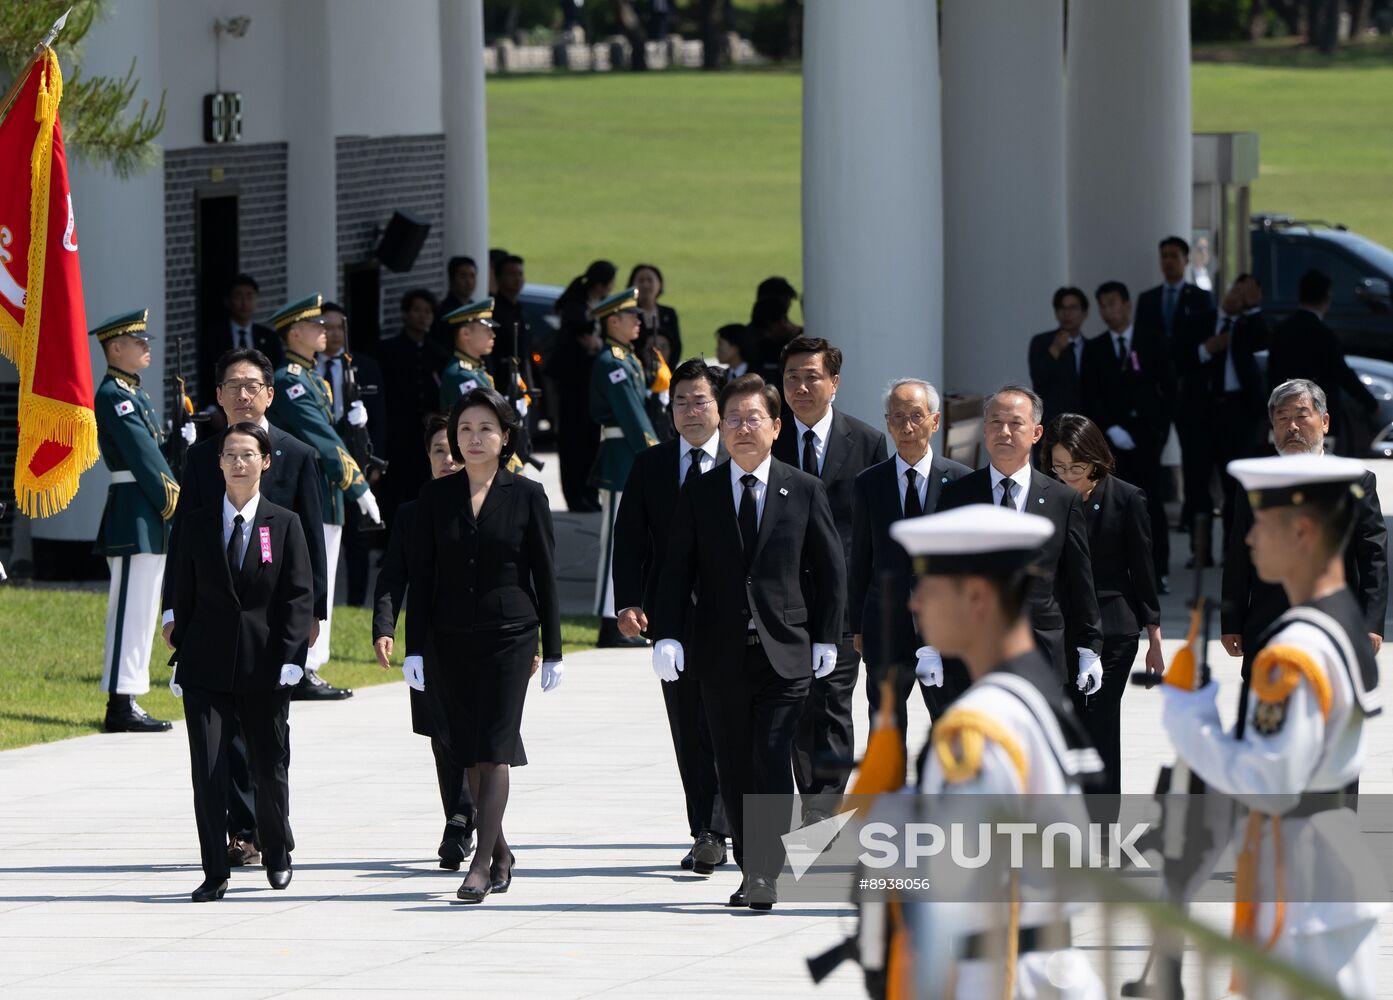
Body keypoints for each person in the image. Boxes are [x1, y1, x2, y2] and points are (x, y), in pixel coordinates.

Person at [1164, 454, 1384, 998]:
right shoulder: (1336, 622)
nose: (1250, 539)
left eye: (1262, 524)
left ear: (1303, 530)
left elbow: (1269, 779)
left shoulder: (1294, 649)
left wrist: (1189, 717)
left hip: (1299, 879)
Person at [893, 504, 1106, 998]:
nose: (915, 604)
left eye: (928, 586)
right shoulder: (1034, 692)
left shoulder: (978, 728)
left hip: (994, 975)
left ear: (975, 596)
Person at [651, 374, 845, 911]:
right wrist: (667, 634)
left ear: (776, 427)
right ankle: (749, 861)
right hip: (720, 653)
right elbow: (676, 571)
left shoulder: (803, 489)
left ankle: (763, 873)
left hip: (786, 653)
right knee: (733, 764)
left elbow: (830, 570)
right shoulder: (702, 491)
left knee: (770, 757)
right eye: (732, 418)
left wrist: (827, 635)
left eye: (752, 418)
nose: (740, 428)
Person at [163, 347, 327, 867]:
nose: (242, 394)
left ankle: (271, 821)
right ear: (218, 395)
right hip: (216, 618)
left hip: (273, 616)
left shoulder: (296, 455)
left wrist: (314, 614)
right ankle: (244, 829)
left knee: (268, 732)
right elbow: (182, 540)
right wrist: (172, 608)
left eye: (252, 385)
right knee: (222, 736)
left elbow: (312, 541)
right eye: (232, 385)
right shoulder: (204, 457)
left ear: (270, 393)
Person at [404, 387, 563, 903]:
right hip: (449, 638)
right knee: (468, 750)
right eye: (466, 429)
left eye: (486, 429)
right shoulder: (435, 497)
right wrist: (413, 648)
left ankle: (478, 864)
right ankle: (501, 852)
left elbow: (545, 574)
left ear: (506, 437)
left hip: (510, 637)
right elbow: (421, 578)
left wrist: (554, 648)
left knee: (494, 749)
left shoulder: (527, 494)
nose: (474, 439)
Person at [613, 359, 730, 874]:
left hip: (738, 617)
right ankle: (705, 830)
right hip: (673, 621)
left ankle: (729, 827)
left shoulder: (744, 459)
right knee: (689, 727)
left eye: (699, 400)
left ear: (721, 407)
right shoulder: (651, 465)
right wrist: (629, 602)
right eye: (680, 401)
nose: (689, 411)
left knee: (733, 726)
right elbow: (630, 540)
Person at [772, 336, 887, 816]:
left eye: (812, 376)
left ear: (834, 383)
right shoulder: (767, 440)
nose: (801, 386)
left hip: (842, 603)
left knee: (834, 707)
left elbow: (876, 530)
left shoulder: (866, 442)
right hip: (782, 602)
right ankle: (814, 806)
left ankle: (824, 812)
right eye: (792, 377)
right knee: (796, 710)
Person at [936, 385, 1103, 690]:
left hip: (1041, 649)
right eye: (995, 422)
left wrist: (1090, 648)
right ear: (984, 430)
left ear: (1036, 433)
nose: (1005, 432)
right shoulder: (957, 495)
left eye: (1015, 423)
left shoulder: (1062, 500)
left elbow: (1080, 577)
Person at [1221, 379, 1387, 678]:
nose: (1292, 427)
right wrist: (1231, 620)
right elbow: (1238, 554)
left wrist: (1371, 621)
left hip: (1333, 622)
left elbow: (1372, 554)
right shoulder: (1256, 483)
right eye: (1282, 418)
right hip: (1267, 622)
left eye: (1301, 415)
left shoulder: (1354, 481)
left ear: (1324, 422)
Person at [1042, 413, 1163, 808]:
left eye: (1076, 468)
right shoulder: (1048, 497)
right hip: (1065, 626)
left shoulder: (1126, 498)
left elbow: (1142, 571)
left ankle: (1103, 827)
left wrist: (1155, 637)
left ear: (1095, 459)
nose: (1067, 477)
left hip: (1114, 629)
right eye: (1058, 467)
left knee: (1100, 721)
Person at [848, 378, 969, 768]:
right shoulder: (869, 482)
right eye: (897, 417)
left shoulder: (962, 481)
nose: (907, 425)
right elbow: (861, 557)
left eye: (916, 416)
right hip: (885, 626)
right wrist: (857, 626)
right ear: (886, 423)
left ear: (935, 422)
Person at [372, 414, 475, 869]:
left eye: (455, 451)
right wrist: (384, 627)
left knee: (479, 735)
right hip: (431, 644)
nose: (448, 461)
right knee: (442, 735)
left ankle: (465, 819)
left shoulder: (493, 505)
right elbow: (393, 575)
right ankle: (460, 818)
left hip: (489, 641)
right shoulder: (412, 515)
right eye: (439, 452)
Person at [266, 294, 382, 696]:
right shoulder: (289, 381)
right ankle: (300, 664)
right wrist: (359, 485)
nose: (325, 332)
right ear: (295, 333)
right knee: (307, 580)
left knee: (322, 578)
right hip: (306, 491)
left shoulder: (312, 377)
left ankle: (310, 664)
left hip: (323, 491)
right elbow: (320, 437)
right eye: (316, 326)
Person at [91, 309, 183, 733]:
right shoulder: (114, 394)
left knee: (144, 610)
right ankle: (119, 703)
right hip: (135, 511)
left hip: (147, 511)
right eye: (137, 341)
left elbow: (156, 450)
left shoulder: (135, 394)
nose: (147, 346)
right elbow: (144, 460)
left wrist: (180, 437)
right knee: (130, 609)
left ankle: (130, 696)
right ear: (115, 348)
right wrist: (176, 503)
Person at [1080, 280, 1176, 593]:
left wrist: (1158, 429)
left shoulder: (1152, 340)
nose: (1108, 311)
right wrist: (1109, 429)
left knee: (1152, 503)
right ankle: (1119, 570)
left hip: (1146, 434)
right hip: (1111, 437)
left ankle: (1158, 570)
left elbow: (1169, 388)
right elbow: (1090, 397)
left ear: (1126, 305)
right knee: (1114, 503)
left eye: (1113, 303)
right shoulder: (1095, 348)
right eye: (1103, 306)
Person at [1171, 274, 1270, 563]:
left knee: (1235, 486)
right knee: (1197, 485)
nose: (1236, 297)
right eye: (1235, 290)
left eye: (1245, 294)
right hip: (1200, 413)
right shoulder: (1200, 319)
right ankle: (1200, 550)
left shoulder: (1249, 325)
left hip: (1236, 413)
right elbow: (1178, 357)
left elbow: (1263, 340)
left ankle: (1233, 548)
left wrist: (1252, 310)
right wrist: (1207, 349)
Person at [588, 287, 659, 648]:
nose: (638, 322)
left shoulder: (625, 358)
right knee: (614, 541)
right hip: (622, 459)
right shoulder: (612, 362)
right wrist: (655, 452)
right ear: (612, 321)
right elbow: (632, 416)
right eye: (631, 316)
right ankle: (609, 622)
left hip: (627, 456)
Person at [1267, 268, 1379, 456]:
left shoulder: (1281, 330)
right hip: (1313, 416)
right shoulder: (1323, 334)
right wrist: (1371, 403)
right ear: (1326, 298)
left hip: (1284, 415)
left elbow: (1271, 373)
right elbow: (1342, 373)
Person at [318, 301, 386, 607]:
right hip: (320, 464)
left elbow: (382, 418)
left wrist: (375, 462)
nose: (333, 334)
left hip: (356, 461)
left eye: (339, 327)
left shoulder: (365, 365)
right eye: (327, 327)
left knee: (358, 539)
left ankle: (357, 601)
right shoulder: (308, 369)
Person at [548, 260, 615, 512]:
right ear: (600, 284)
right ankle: (576, 495)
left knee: (589, 442)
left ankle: (589, 492)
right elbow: (584, 338)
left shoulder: (589, 305)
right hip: (573, 386)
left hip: (588, 386)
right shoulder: (575, 307)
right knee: (573, 442)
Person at [378, 289, 449, 526]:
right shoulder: (388, 351)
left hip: (425, 436)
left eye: (427, 312)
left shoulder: (438, 354)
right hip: (397, 434)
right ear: (405, 314)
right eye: (417, 310)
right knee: (394, 491)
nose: (422, 316)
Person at [200, 274, 282, 408]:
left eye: (249, 297)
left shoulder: (269, 337)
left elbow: (275, 376)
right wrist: (211, 410)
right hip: (222, 410)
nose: (244, 303)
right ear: (228, 301)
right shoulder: (213, 337)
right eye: (238, 297)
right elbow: (205, 376)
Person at [1134, 235, 1213, 343]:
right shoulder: (1147, 299)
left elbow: (1208, 334)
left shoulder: (1201, 297)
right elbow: (1139, 337)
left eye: (1174, 256)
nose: (1168, 261)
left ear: (1186, 260)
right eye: (1164, 256)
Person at [1027, 287, 1088, 426]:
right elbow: (1038, 378)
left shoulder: (1091, 347)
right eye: (1062, 308)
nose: (1067, 313)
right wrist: (1055, 349)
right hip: (1051, 424)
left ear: (1084, 313)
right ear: (1056, 313)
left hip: (1083, 427)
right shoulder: (1042, 342)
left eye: (1073, 308)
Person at [438, 297, 499, 408]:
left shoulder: (475, 369)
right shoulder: (462, 376)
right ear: (465, 333)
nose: (493, 335)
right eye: (487, 329)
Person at [490, 254, 534, 404]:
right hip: (502, 383)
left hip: (521, 382)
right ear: (498, 278)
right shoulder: (494, 311)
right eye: (511, 274)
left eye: (520, 274)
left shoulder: (520, 310)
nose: (517, 279)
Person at [631, 263, 682, 366]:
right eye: (641, 281)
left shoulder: (669, 313)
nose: (645, 285)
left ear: (660, 284)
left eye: (650, 280)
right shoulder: (629, 314)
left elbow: (676, 346)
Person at [432, 255, 478, 352]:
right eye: (463, 277)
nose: (469, 282)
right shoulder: (444, 312)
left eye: (472, 276)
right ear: (452, 279)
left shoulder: (477, 309)